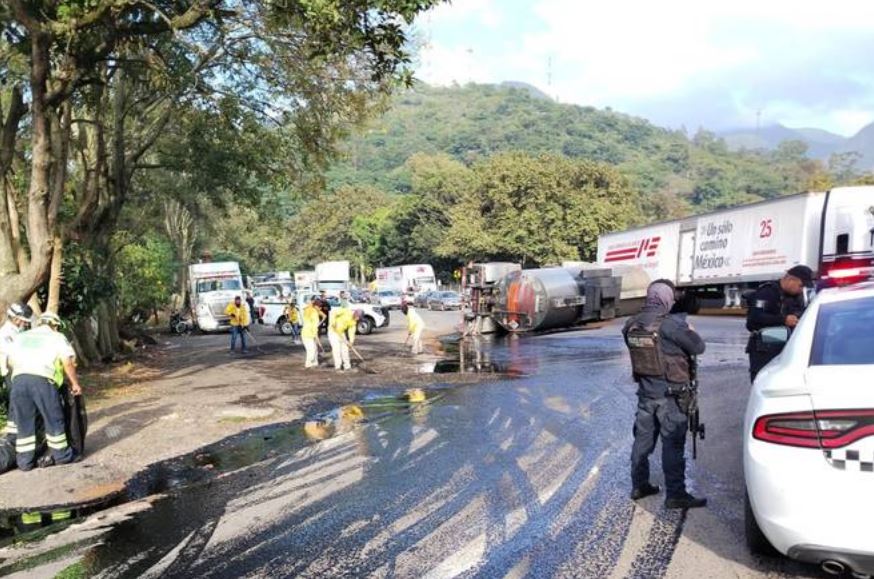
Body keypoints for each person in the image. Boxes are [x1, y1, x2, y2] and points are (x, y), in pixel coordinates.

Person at [623, 280, 707, 509]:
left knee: (642, 442)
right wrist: (691, 332)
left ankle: (639, 485)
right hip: (672, 396)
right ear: (666, 299)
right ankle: (676, 494)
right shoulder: (670, 325)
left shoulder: (631, 324)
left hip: (646, 394)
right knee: (672, 444)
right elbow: (698, 348)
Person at [5, 312, 82, 470]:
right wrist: (74, 383)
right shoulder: (57, 337)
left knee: (24, 422)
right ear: (55, 325)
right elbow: (68, 362)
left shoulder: (22, 336)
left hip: (18, 380)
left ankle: (24, 462)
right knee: (54, 418)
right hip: (42, 380)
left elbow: (10, 360)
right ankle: (62, 455)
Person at [745, 265, 813, 381]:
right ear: (791, 279)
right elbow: (753, 320)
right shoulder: (767, 293)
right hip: (764, 350)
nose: (801, 289)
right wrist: (783, 320)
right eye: (801, 286)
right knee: (763, 382)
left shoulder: (797, 297)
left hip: (787, 349)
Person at [1, 303, 33, 445]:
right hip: (13, 373)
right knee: (16, 404)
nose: (24, 323)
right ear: (15, 318)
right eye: (22, 320)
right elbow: (12, 356)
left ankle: (21, 432)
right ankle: (13, 436)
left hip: (21, 372)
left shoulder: (17, 331)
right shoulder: (6, 333)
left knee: (21, 403)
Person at [328, 307, 360, 371]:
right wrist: (333, 322)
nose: (357, 319)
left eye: (359, 318)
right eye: (357, 317)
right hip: (333, 331)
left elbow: (351, 331)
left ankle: (347, 366)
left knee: (345, 349)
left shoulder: (354, 321)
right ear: (355, 313)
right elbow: (332, 313)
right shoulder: (345, 311)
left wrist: (351, 342)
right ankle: (338, 367)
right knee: (336, 349)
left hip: (341, 333)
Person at [301, 298, 325, 369]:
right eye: (319, 306)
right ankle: (308, 364)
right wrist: (320, 344)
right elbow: (315, 332)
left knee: (314, 349)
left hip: (308, 332)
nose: (320, 308)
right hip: (307, 334)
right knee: (311, 350)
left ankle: (314, 363)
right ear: (316, 306)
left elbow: (323, 316)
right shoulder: (314, 313)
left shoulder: (310, 310)